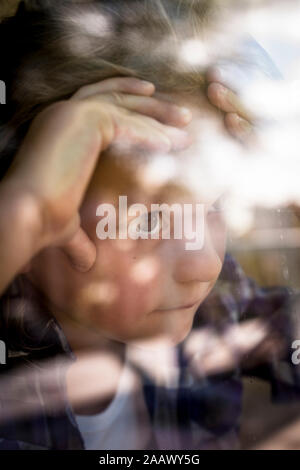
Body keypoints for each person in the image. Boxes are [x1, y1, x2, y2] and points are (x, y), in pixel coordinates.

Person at [0, 0, 299, 450]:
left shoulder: (222, 307)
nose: (203, 265)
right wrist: (23, 211)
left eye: (213, 205)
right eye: (150, 219)